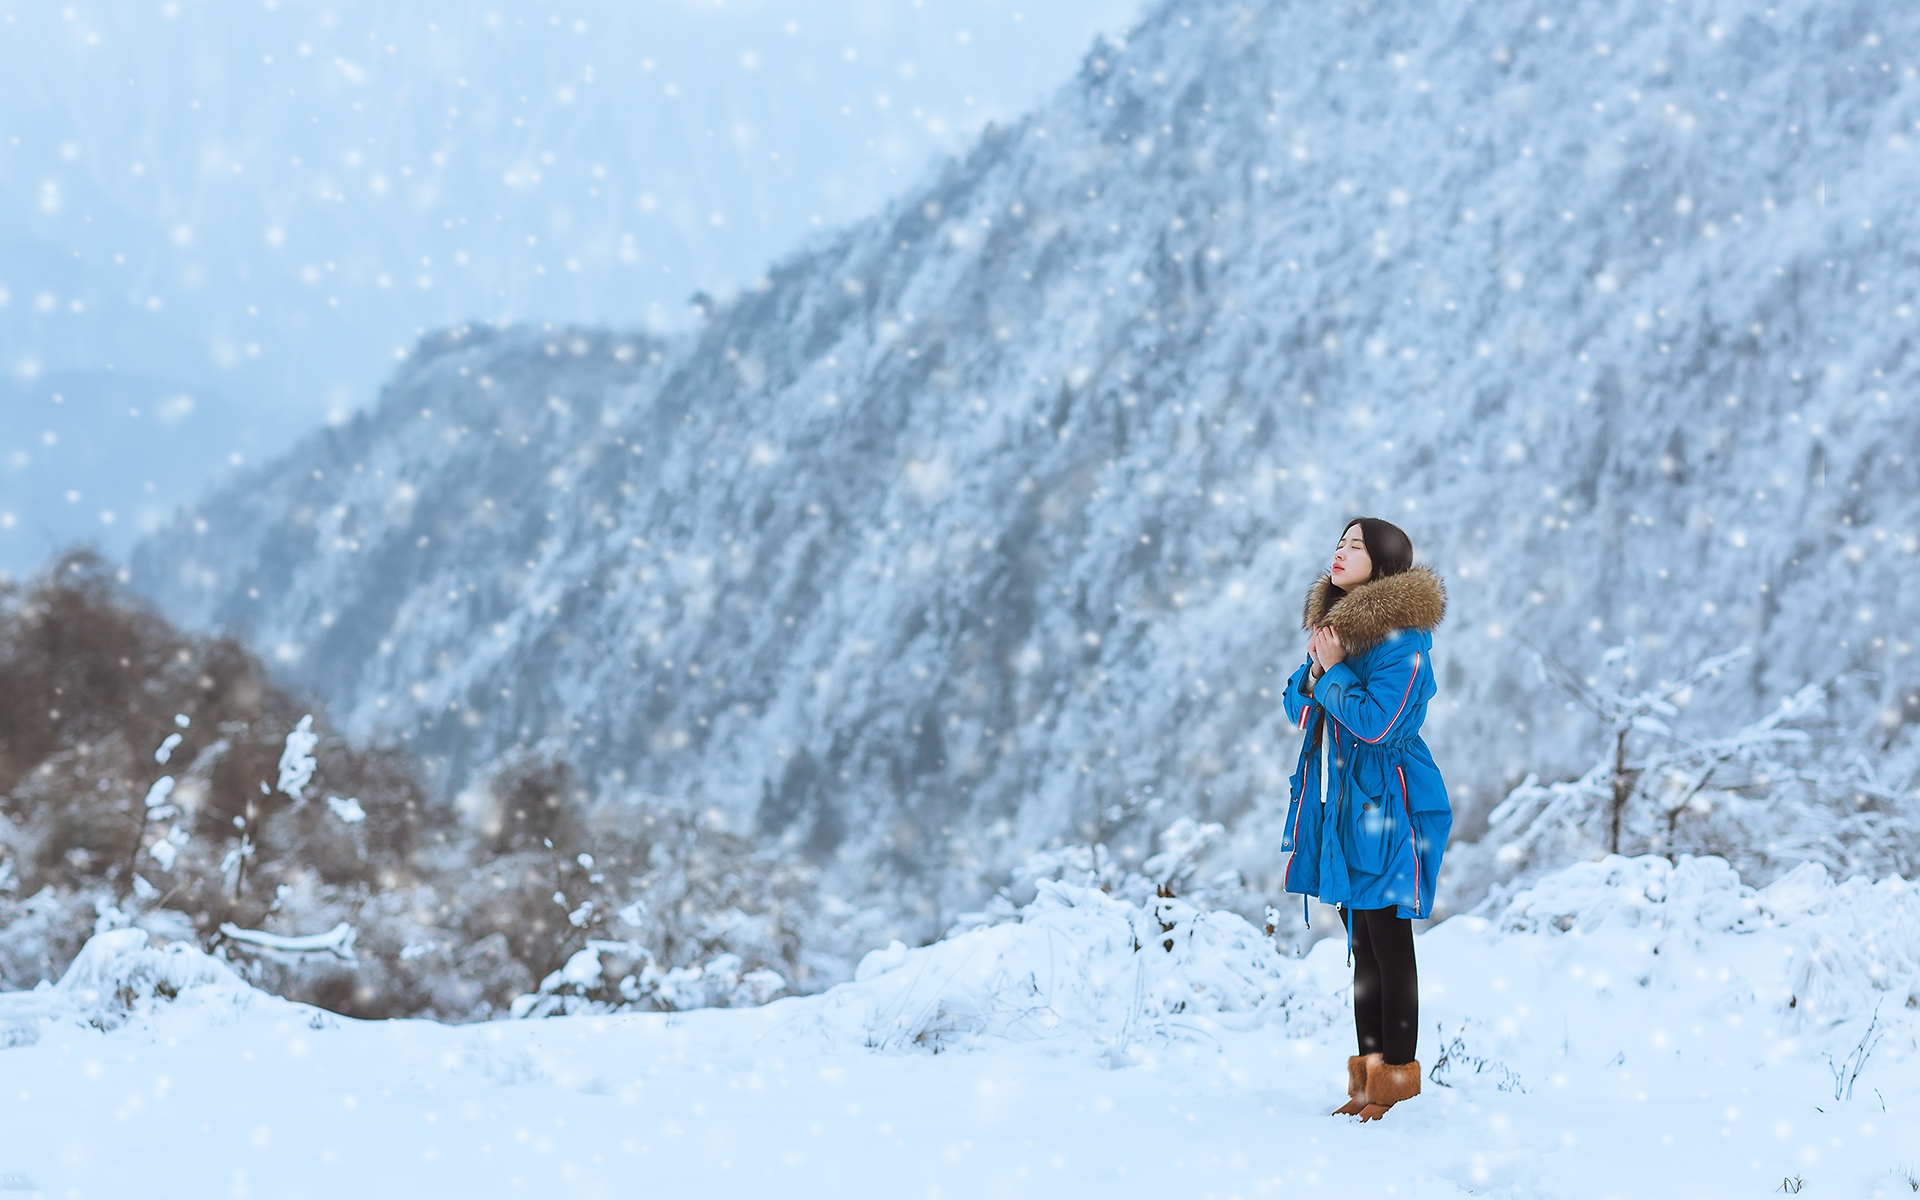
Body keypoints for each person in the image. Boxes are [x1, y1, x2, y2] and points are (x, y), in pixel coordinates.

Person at [1280, 516, 1450, 1122]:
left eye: (1356, 546)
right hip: (1350, 806)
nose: (1341, 552)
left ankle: (1396, 1090)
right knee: (1361, 945)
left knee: (1387, 941)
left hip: (1392, 804)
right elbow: (1302, 708)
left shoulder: (1402, 642)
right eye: (1339, 542)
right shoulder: (1340, 634)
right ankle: (1368, 1085)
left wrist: (1335, 672)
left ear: (1381, 564)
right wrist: (1318, 670)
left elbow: (1377, 724)